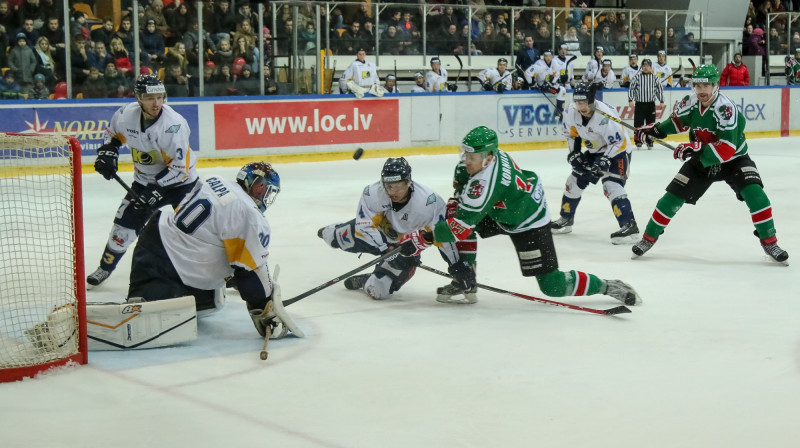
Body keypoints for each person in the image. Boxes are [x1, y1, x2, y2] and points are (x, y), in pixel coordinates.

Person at [399, 126, 642, 306]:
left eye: (472, 157)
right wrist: (454, 203)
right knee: (455, 213)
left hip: (527, 219)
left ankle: (609, 286)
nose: (467, 161)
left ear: (489, 157)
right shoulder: (482, 161)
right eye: (466, 154)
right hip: (500, 209)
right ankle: (467, 280)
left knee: (552, 286)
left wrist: (423, 239)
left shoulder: (486, 183)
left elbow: (460, 227)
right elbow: (461, 200)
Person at [127, 162, 303, 338]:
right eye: (261, 187)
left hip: (154, 236)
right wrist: (265, 306)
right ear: (249, 181)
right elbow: (250, 278)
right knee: (140, 317)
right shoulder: (250, 215)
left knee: (211, 300)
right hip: (175, 269)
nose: (263, 195)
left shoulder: (215, 179)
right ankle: (139, 306)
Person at [634, 64, 789, 265]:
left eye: (706, 86)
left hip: (735, 159)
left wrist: (695, 148)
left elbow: (726, 149)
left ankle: (769, 241)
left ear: (716, 86)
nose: (701, 91)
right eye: (697, 86)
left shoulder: (726, 109)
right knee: (670, 199)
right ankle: (648, 239)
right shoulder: (689, 102)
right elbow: (677, 122)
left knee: (757, 197)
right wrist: (656, 131)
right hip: (703, 160)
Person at [87, 75, 200, 288]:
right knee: (123, 227)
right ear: (138, 97)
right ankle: (105, 267)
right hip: (144, 181)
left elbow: (180, 169)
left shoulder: (173, 125)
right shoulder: (125, 115)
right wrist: (108, 151)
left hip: (181, 184)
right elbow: (111, 133)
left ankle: (224, 273)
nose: (156, 103)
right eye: (149, 98)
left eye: (160, 97)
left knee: (197, 230)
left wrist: (156, 189)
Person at [318, 158, 465, 303]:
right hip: (374, 235)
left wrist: (456, 266)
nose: (392, 191)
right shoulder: (372, 193)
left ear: (408, 181)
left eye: (397, 186)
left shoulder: (430, 202)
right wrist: (384, 249)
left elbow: (441, 236)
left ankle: (367, 280)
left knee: (379, 290)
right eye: (388, 186)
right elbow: (364, 227)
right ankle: (333, 231)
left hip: (404, 248)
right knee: (331, 236)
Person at [550, 83, 640, 244]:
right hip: (595, 150)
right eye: (578, 102)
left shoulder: (605, 115)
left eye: (584, 102)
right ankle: (566, 218)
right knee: (574, 181)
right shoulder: (571, 111)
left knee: (611, 185)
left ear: (591, 100)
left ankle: (629, 224)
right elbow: (572, 135)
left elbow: (619, 142)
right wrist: (574, 153)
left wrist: (604, 162)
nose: (581, 106)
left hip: (619, 149)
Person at [628, 59, 664, 149]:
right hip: (640, 104)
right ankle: (638, 140)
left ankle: (650, 141)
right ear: (642, 67)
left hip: (650, 104)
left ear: (651, 67)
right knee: (638, 123)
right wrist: (630, 99)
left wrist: (661, 100)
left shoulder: (655, 78)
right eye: (644, 66)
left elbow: (659, 89)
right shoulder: (637, 77)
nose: (646, 67)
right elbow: (632, 88)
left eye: (648, 66)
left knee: (650, 124)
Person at [525, 49, 568, 117]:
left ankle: (559, 111)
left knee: (562, 90)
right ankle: (559, 112)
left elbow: (557, 73)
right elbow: (527, 73)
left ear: (552, 56)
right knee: (557, 90)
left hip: (549, 83)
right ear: (543, 56)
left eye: (550, 56)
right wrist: (531, 84)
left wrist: (552, 81)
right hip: (541, 84)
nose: (548, 58)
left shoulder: (554, 62)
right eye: (546, 56)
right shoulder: (539, 64)